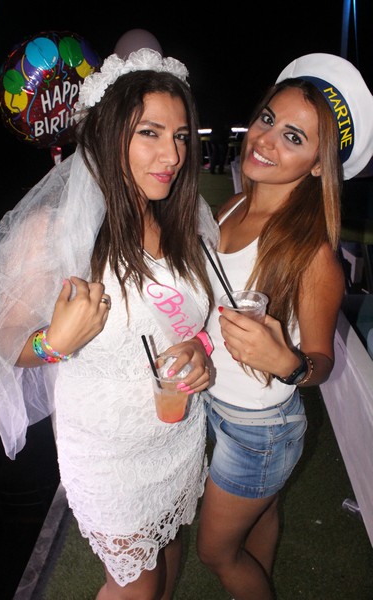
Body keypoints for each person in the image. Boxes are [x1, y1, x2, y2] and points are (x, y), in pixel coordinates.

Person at [0, 48, 219, 599]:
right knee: (135, 587)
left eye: (181, 136)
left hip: (177, 431)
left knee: (168, 550)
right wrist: (53, 343)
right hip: (107, 450)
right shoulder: (56, 231)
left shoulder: (182, 221)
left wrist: (200, 349)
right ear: (109, 135)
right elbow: (5, 340)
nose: (172, 155)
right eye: (150, 133)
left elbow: (199, 319)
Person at [196, 53, 373, 599]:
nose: (265, 140)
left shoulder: (312, 254)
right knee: (262, 513)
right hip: (215, 403)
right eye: (268, 119)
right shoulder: (230, 207)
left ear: (319, 165)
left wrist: (287, 362)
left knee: (216, 552)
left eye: (293, 138)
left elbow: (322, 363)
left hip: (260, 430)